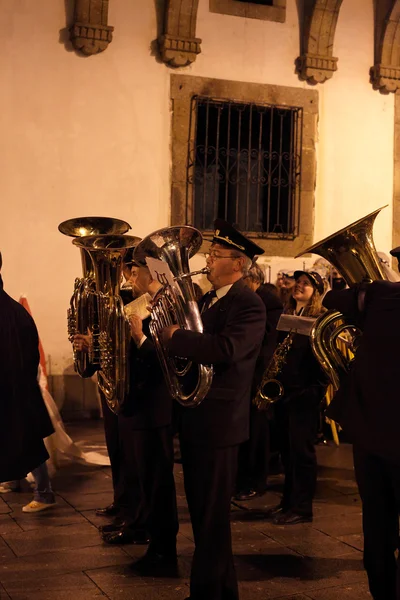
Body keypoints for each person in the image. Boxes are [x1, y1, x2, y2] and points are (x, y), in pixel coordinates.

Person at [161, 219, 266, 600]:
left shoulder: (248, 304)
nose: (207, 259)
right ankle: (220, 590)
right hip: (197, 417)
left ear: (238, 264)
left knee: (212, 515)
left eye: (216, 254)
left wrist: (178, 337)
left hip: (220, 422)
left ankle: (206, 592)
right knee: (205, 515)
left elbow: (226, 349)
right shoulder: (208, 299)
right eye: (210, 252)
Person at [323, 248, 400, 600]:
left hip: (370, 432)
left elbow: (330, 297)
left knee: (377, 522)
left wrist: (368, 288)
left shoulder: (381, 295)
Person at [101, 262, 179, 569]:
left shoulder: (166, 305)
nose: (130, 279)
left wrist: (139, 339)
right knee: (142, 477)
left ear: (152, 274)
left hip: (155, 406)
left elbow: (169, 357)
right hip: (134, 401)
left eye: (136, 273)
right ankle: (144, 531)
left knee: (158, 481)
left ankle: (164, 552)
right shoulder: (136, 303)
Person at [267, 270, 328, 525]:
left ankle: (302, 508)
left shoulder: (320, 320)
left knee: (301, 453)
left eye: (306, 284)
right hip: (285, 392)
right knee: (287, 451)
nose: (299, 286)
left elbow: (323, 363)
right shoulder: (288, 314)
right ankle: (288, 502)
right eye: (298, 282)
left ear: (316, 292)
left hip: (304, 394)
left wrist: (312, 391)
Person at [0, 252, 54, 494]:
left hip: (13, 389)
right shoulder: (12, 309)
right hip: (16, 388)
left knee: (27, 442)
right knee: (21, 440)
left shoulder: (8, 311)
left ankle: (44, 492)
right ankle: (16, 480)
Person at [235, 262, 283, 500]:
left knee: (257, 430)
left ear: (251, 279)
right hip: (247, 373)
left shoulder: (268, 301)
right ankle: (242, 478)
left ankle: (256, 480)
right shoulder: (250, 298)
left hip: (259, 374)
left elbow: (266, 342)